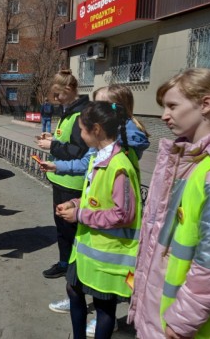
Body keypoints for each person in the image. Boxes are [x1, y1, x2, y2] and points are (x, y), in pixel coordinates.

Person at [128, 68, 210, 339]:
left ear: (206, 104)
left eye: (172, 106)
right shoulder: (183, 159)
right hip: (161, 308)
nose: (164, 115)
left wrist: (183, 322)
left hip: (182, 324)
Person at [45, 101, 142, 339]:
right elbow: (96, 198)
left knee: (104, 308)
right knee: (73, 289)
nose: (80, 134)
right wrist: (75, 204)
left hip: (108, 256)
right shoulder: (98, 157)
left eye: (82, 130)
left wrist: (79, 214)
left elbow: (123, 214)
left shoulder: (119, 165)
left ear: (96, 129)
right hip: (88, 249)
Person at [36, 69, 89, 283]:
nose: (55, 99)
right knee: (62, 226)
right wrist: (52, 138)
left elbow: (79, 151)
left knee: (70, 228)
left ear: (69, 90)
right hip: (60, 178)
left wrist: (53, 146)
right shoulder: (69, 111)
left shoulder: (81, 113)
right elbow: (67, 140)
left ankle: (74, 271)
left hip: (71, 182)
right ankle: (64, 263)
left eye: (58, 95)